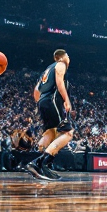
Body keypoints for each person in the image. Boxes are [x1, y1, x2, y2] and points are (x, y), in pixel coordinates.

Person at [26, 49, 72, 181]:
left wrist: (40, 103)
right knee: (67, 133)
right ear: (61, 57)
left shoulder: (45, 71)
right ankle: (39, 163)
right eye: (67, 55)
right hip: (53, 100)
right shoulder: (61, 64)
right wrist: (67, 100)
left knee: (51, 133)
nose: (68, 58)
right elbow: (59, 82)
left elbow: (36, 91)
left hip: (43, 101)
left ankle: (37, 164)